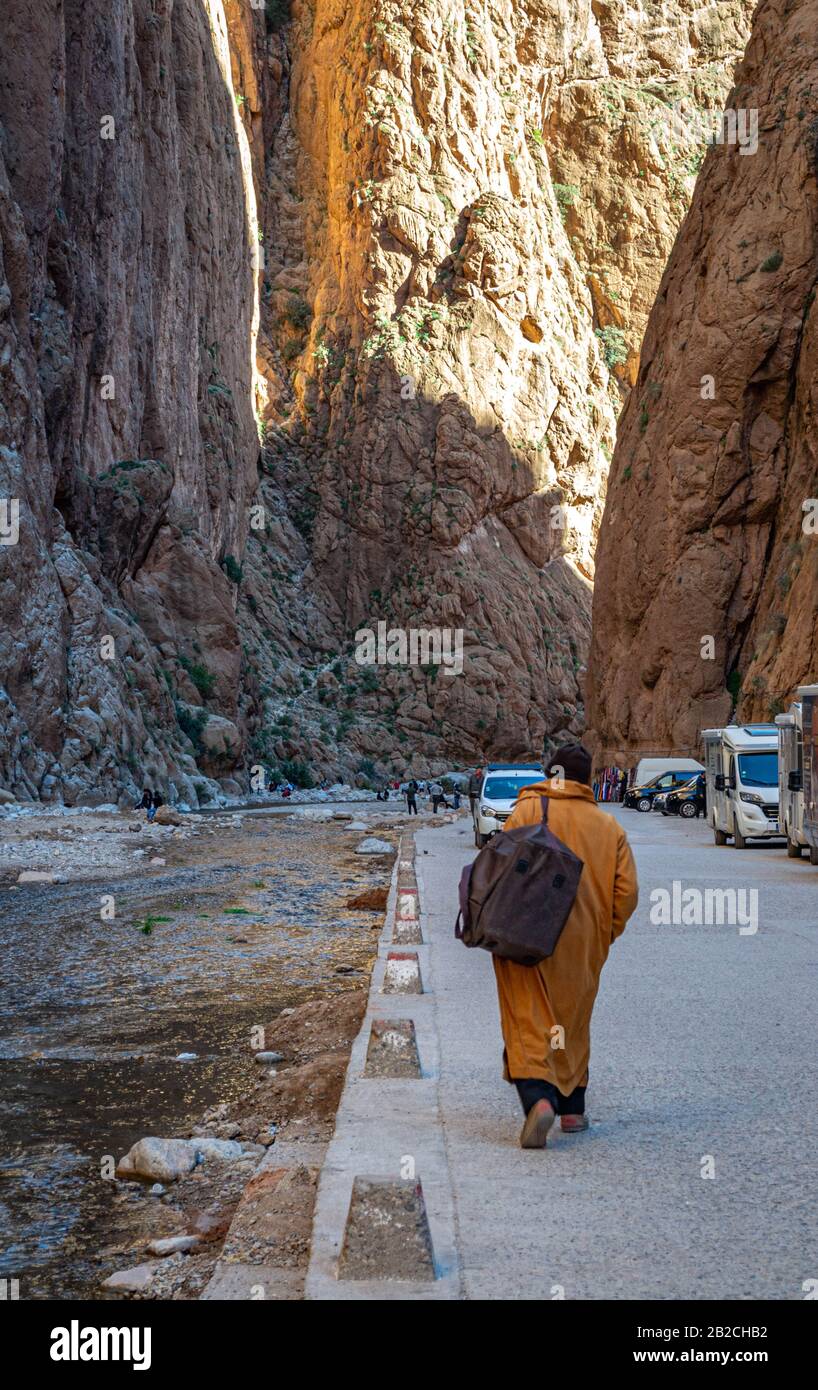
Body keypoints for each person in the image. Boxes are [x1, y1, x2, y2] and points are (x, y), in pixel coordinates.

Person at [491, 741, 638, 1149]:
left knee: (528, 1017)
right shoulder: (609, 827)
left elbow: (499, 872)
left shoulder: (526, 811)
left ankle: (539, 1100)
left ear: (550, 774)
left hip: (525, 936)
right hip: (583, 943)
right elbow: (626, 894)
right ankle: (573, 1109)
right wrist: (601, 935)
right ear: (587, 781)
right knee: (569, 1022)